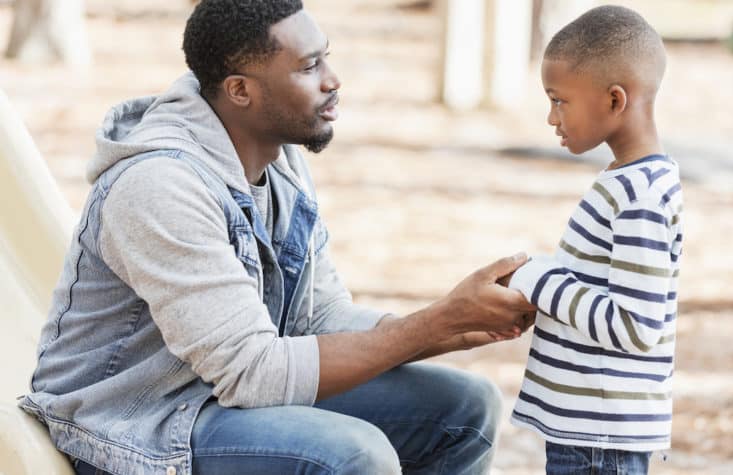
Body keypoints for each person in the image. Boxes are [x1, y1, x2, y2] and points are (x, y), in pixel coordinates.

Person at [18, 1, 537, 474]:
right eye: (309, 67)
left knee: (465, 409)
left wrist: (452, 325)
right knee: (353, 456)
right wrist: (429, 327)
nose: (333, 81)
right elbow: (253, 373)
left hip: (217, 397)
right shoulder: (159, 185)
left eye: (326, 59)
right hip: (131, 427)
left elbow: (318, 317)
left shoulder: (277, 157)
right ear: (241, 90)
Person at [503, 6, 684, 475]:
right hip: (590, 431)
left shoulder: (638, 194)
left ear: (615, 100)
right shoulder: (629, 181)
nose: (550, 117)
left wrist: (538, 280)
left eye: (559, 100)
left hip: (600, 438)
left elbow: (635, 325)